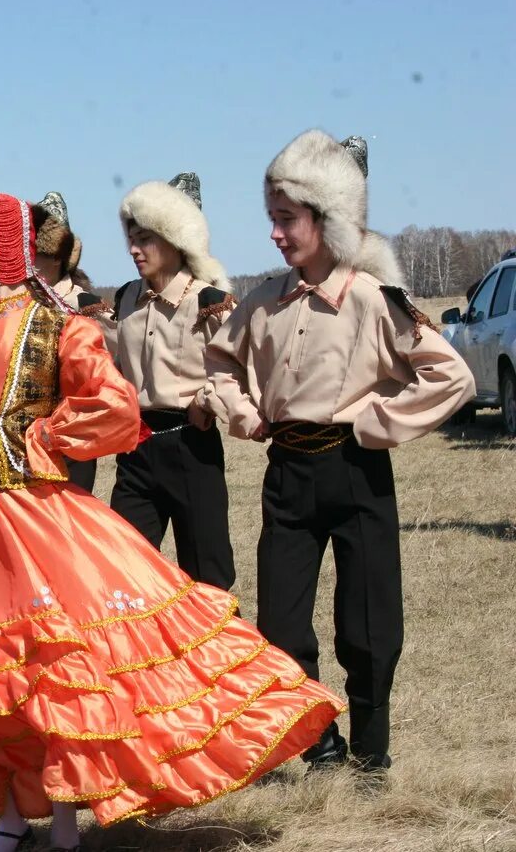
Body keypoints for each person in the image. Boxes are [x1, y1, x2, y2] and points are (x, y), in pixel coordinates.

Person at [0, 193, 344, 851]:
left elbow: (113, 405)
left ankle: (62, 820)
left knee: (60, 668)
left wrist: (50, 433)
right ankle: (10, 813)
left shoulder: (62, 328)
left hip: (43, 528)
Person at [205, 131, 475, 777]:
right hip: (287, 473)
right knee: (282, 623)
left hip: (356, 470)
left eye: (286, 219)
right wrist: (244, 413)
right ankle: (319, 740)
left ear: (327, 220)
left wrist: (380, 422)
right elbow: (218, 362)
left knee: (370, 619)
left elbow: (453, 376)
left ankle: (372, 753)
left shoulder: (372, 298)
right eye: (271, 218)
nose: (274, 233)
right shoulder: (263, 299)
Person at [108, 173, 237, 591]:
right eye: (131, 237)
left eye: (144, 238)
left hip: (190, 447)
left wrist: (208, 399)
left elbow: (238, 366)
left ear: (173, 239)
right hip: (136, 450)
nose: (133, 249)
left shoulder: (209, 301)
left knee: (208, 574)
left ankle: (219, 656)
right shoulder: (124, 298)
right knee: (124, 572)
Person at [32, 192, 100, 492]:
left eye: (36, 252)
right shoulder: (20, 305)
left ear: (57, 255)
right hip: (29, 437)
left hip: (73, 434)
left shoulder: (87, 306)